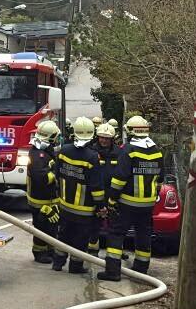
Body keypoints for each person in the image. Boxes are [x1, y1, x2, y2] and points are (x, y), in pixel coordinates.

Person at [99, 115, 165, 281]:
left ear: (129, 131)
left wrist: (112, 201)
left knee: (116, 234)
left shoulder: (128, 150)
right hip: (147, 205)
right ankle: (141, 270)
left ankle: (112, 271)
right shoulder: (157, 151)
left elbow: (119, 179)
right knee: (143, 234)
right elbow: (160, 179)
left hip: (127, 203)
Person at [51, 117, 103, 273]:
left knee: (63, 235)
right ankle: (75, 266)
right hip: (84, 209)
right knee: (80, 239)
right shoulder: (92, 156)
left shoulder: (63, 150)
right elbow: (96, 186)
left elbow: (57, 174)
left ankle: (57, 263)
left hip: (65, 204)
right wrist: (101, 205)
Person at [25, 120, 61, 263]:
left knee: (51, 226)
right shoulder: (38, 155)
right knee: (41, 227)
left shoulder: (44, 151)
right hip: (40, 200)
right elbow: (41, 178)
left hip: (49, 199)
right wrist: (56, 173)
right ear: (50, 137)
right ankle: (39, 253)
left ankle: (50, 250)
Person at [89, 122, 126, 259]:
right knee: (94, 225)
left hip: (113, 195)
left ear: (112, 139)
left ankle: (116, 252)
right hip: (96, 194)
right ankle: (92, 251)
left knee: (115, 226)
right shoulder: (92, 151)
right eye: (101, 137)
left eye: (107, 138)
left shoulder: (119, 153)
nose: (103, 140)